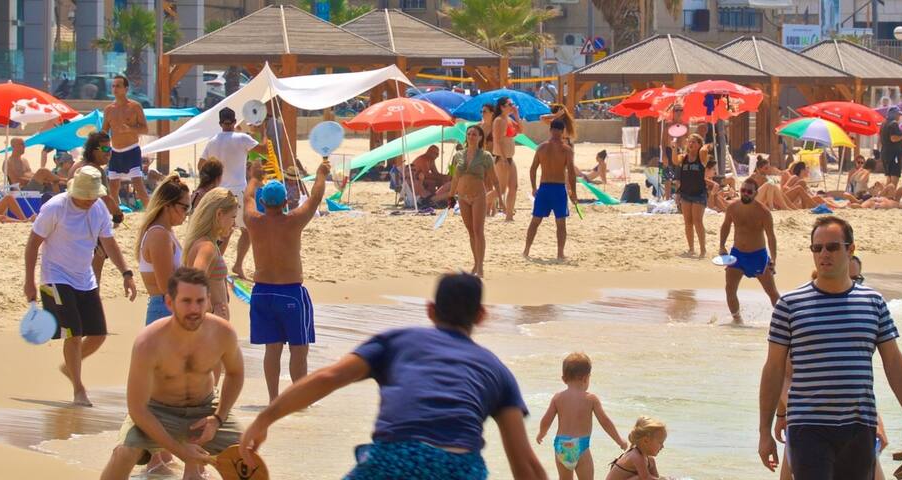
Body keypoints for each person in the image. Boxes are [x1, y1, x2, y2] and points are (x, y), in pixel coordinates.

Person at [239, 273, 548, 480]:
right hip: (461, 467)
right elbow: (524, 462)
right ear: (481, 316)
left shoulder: (396, 342)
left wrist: (264, 419)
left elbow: (327, 378)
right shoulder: (495, 369)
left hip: (397, 457)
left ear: (430, 310)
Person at [759, 216, 902, 479]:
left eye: (832, 247)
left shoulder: (873, 302)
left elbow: (894, 362)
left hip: (859, 428)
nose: (824, 254)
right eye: (817, 248)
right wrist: (765, 431)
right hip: (808, 427)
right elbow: (773, 370)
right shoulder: (790, 305)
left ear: (851, 249)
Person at [99, 268, 245, 480]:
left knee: (246, 458)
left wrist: (217, 419)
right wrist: (181, 451)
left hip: (205, 408)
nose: (194, 308)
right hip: (156, 411)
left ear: (208, 301)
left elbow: (235, 373)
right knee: (124, 453)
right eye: (186, 301)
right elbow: (137, 408)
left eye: (199, 301)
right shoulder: (148, 342)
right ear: (169, 302)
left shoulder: (223, 333)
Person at [24, 166, 139, 407]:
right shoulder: (55, 207)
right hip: (55, 277)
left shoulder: (98, 209)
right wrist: (29, 281)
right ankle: (79, 389)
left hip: (84, 278)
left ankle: (70, 365)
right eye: (86, 196)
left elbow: (109, 243)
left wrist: (126, 273)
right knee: (74, 333)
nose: (89, 201)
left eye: (93, 196)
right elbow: (33, 244)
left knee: (98, 334)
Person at [244, 160, 332, 403]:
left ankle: (274, 399)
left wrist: (254, 177)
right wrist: (321, 173)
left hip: (261, 293)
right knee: (298, 348)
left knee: (272, 349)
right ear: (285, 202)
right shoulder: (293, 221)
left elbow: (247, 199)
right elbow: (314, 198)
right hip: (290, 292)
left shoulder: (253, 221)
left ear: (264, 202)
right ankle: (298, 400)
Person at [534, 353, 626, 480]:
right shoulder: (591, 399)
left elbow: (546, 419)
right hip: (580, 446)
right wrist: (619, 441)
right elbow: (605, 422)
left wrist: (541, 433)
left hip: (561, 445)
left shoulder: (557, 398)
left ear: (563, 379)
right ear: (586, 378)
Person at [200, 108, 259, 278]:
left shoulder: (212, 142)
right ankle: (237, 265)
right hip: (238, 189)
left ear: (220, 123)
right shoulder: (241, 138)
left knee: (223, 230)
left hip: (219, 189)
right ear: (234, 121)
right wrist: (259, 130)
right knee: (245, 231)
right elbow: (264, 150)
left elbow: (201, 165)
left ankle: (216, 263)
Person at [719, 177, 780, 323]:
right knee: (729, 289)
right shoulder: (733, 207)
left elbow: (771, 236)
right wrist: (722, 246)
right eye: (743, 190)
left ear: (755, 193)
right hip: (737, 255)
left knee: (771, 292)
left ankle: (784, 319)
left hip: (758, 256)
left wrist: (773, 259)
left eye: (749, 191)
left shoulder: (764, 212)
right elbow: (726, 226)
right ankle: (737, 320)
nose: (745, 193)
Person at [138, 178, 193, 325]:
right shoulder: (159, 235)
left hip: (167, 306)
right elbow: (166, 285)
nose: (187, 214)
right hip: (165, 309)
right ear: (168, 205)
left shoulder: (165, 233)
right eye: (185, 208)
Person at [524, 119, 578, 260]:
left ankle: (526, 250)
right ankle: (560, 253)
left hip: (544, 188)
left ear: (551, 130)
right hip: (558, 189)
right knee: (560, 223)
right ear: (562, 132)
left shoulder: (541, 147)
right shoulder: (566, 149)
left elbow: (533, 169)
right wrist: (573, 193)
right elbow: (571, 173)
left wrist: (534, 187)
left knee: (535, 221)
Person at [183, 190, 241, 319]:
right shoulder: (207, 247)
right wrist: (212, 312)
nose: (235, 223)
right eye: (233, 217)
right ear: (219, 214)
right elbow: (194, 284)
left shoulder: (206, 243)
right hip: (209, 329)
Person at [452, 125, 499, 276]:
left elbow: (494, 179)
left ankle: (480, 266)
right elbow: (454, 178)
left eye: (474, 134)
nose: (471, 136)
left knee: (479, 231)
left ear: (480, 138)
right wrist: (451, 196)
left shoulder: (485, 156)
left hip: (479, 195)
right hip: (462, 197)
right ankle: (475, 262)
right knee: (471, 232)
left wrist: (501, 199)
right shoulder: (458, 155)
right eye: (469, 134)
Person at [104, 75, 149, 206]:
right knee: (113, 187)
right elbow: (104, 133)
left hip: (132, 150)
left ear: (126, 88)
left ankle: (152, 215)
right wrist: (103, 150)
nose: (115, 89)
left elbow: (145, 129)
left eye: (118, 86)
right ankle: (116, 217)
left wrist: (129, 129)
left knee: (138, 184)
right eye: (113, 86)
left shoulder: (135, 107)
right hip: (115, 152)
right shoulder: (109, 109)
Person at [673, 134, 714, 256]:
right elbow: (675, 160)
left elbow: (704, 150)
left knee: (698, 221)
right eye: (689, 142)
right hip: (685, 193)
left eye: (694, 142)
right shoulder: (684, 157)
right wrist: (674, 147)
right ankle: (691, 248)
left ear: (699, 145)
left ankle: (703, 250)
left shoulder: (702, 157)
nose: (690, 144)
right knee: (688, 222)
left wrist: (704, 145)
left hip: (699, 194)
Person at [492, 98, 522, 221]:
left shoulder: (509, 119)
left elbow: (521, 130)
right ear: (502, 107)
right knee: (502, 189)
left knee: (513, 187)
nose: (512, 106)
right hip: (502, 158)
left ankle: (509, 216)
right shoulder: (499, 120)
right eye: (510, 105)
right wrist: (504, 159)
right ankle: (480, 201)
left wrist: (516, 115)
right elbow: (498, 141)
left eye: (512, 104)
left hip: (510, 157)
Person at [877, 112, 902, 187]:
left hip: (885, 153)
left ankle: (886, 196)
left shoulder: (884, 123)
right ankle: (890, 196)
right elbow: (893, 138)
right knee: (894, 176)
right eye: (898, 115)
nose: (899, 117)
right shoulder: (894, 123)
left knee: (889, 177)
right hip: (894, 154)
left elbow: (880, 140)